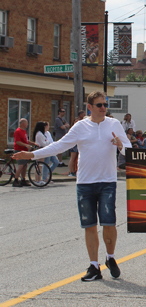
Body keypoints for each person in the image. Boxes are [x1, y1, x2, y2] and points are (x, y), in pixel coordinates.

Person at [13, 91, 131, 281]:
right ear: (90, 107)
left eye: (105, 105)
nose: (103, 108)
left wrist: (120, 145)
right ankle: (94, 266)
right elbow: (59, 146)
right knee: (90, 225)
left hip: (107, 181)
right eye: (99, 105)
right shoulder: (80, 126)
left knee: (109, 223)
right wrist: (31, 155)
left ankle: (110, 257)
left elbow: (130, 149)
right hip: (85, 182)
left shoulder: (114, 124)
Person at [12, 118, 39, 187]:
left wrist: (33, 143)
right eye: (26, 123)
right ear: (23, 124)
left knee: (25, 165)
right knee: (21, 165)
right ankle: (15, 180)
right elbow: (17, 142)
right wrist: (26, 145)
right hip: (19, 150)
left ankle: (23, 180)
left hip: (24, 150)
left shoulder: (24, 131)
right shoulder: (18, 131)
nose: (27, 124)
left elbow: (26, 140)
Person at [69, 110, 86, 177]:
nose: (77, 123)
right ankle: (71, 171)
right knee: (73, 158)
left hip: (79, 143)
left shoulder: (81, 128)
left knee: (78, 157)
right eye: (75, 121)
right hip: (74, 144)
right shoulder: (73, 129)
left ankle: (76, 170)